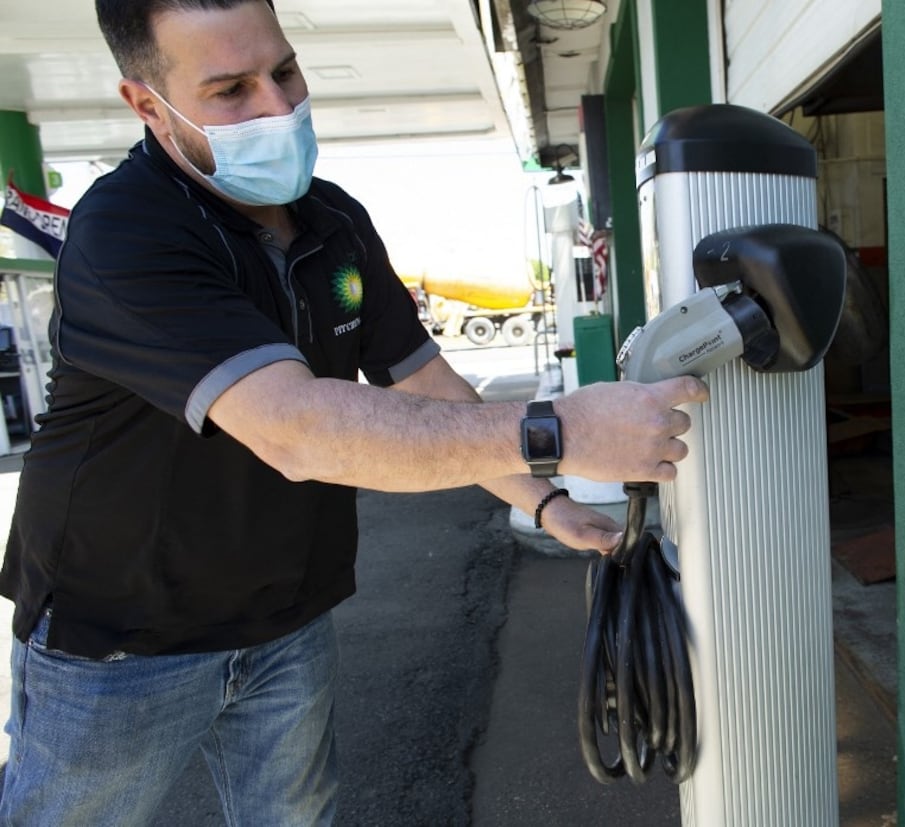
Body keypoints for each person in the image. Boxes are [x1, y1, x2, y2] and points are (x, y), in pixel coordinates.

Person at [0, 1, 709, 823]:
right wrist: (564, 426)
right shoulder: (127, 234)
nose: (278, 107)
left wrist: (545, 500)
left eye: (285, 71)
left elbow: (423, 382)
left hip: (283, 619)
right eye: (231, 89)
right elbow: (298, 429)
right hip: (119, 638)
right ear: (147, 106)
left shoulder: (332, 219)